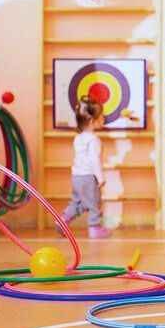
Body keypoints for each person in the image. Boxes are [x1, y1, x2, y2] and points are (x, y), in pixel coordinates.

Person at [60, 96, 111, 239]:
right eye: (101, 116)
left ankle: (63, 219)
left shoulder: (78, 138)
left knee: (78, 201)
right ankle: (95, 228)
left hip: (76, 176)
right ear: (91, 121)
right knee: (94, 202)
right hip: (88, 177)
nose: (104, 118)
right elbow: (94, 160)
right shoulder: (94, 140)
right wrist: (100, 178)